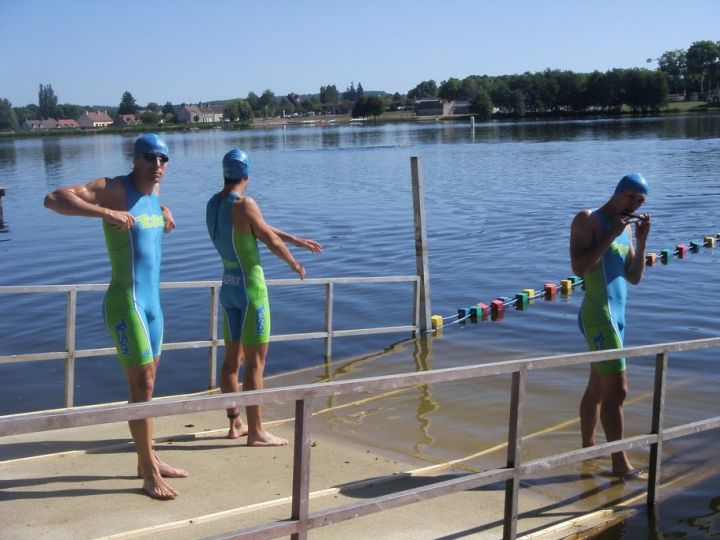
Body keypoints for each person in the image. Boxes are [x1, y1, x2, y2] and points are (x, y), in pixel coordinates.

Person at [44, 133, 188, 499]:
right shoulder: (114, 189)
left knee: (146, 387)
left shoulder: (153, 194)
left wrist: (164, 210)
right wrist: (105, 212)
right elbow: (54, 198)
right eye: (150, 157)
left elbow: (146, 207)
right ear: (136, 158)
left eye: (163, 159)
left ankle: (147, 459)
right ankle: (149, 472)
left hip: (153, 306)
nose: (157, 165)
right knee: (142, 384)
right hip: (126, 303)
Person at [206, 149, 322, 445]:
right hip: (251, 291)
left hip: (229, 287)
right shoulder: (245, 204)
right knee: (255, 364)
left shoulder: (213, 204)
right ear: (247, 175)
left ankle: (235, 423)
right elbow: (267, 238)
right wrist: (294, 262)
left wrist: (294, 239)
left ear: (224, 173)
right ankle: (257, 432)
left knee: (231, 362)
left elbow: (257, 226)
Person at [569, 173, 651, 479]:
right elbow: (579, 267)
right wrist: (610, 234)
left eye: (640, 201)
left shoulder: (626, 229)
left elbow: (634, 277)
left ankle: (588, 450)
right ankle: (620, 465)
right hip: (599, 314)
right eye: (631, 197)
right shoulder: (588, 219)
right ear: (618, 192)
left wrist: (641, 240)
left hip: (617, 317)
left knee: (598, 389)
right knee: (619, 391)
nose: (634, 205)